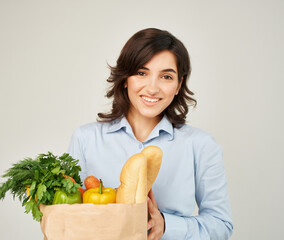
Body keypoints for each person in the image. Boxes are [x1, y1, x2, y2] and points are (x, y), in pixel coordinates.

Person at [67, 28, 233, 239]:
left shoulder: (201, 145)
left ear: (178, 85)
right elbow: (68, 217)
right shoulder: (86, 139)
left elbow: (221, 225)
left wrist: (166, 225)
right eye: (141, 73)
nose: (152, 88)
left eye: (166, 76)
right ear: (125, 78)